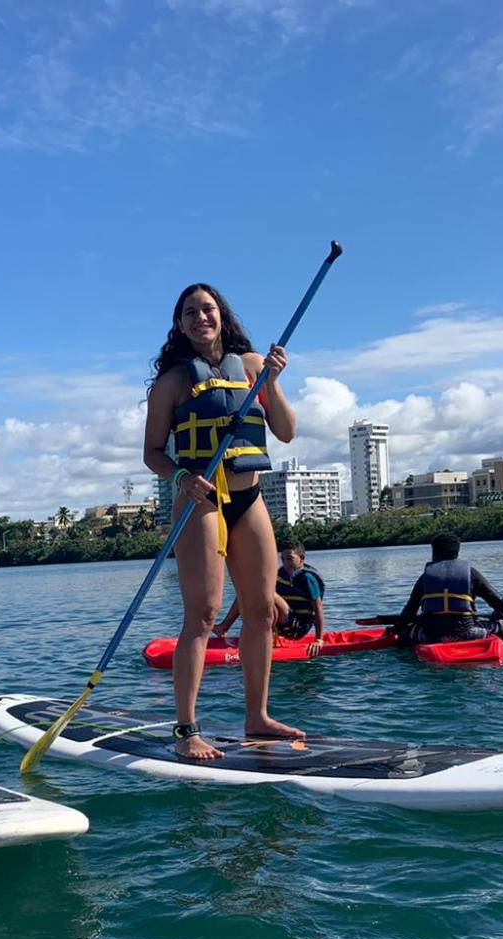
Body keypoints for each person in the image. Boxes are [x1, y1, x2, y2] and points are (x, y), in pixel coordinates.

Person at [143, 282, 300, 760]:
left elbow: (287, 433)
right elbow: (153, 453)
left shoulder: (254, 367)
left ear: (221, 315)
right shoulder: (172, 382)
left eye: (206, 309)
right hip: (201, 502)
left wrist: (271, 382)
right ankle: (186, 729)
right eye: (189, 312)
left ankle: (258, 715)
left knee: (260, 611)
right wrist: (181, 477)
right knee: (204, 616)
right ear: (180, 324)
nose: (199, 318)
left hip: (249, 499)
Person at [211, 542, 326, 657]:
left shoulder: (308, 578)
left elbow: (318, 609)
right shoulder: (281, 574)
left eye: (290, 559)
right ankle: (226, 628)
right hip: (283, 624)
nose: (286, 563)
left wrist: (318, 640)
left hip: (298, 627)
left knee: (264, 589)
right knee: (248, 591)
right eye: (283, 559)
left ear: (302, 558)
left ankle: (263, 639)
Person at [396, 533, 503, 645]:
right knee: (501, 625)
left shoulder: (425, 577)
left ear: (434, 553)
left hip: (430, 636)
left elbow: (410, 610)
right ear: (457, 552)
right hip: (467, 634)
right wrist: (499, 614)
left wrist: (398, 627)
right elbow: (498, 600)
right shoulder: (471, 574)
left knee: (405, 632)